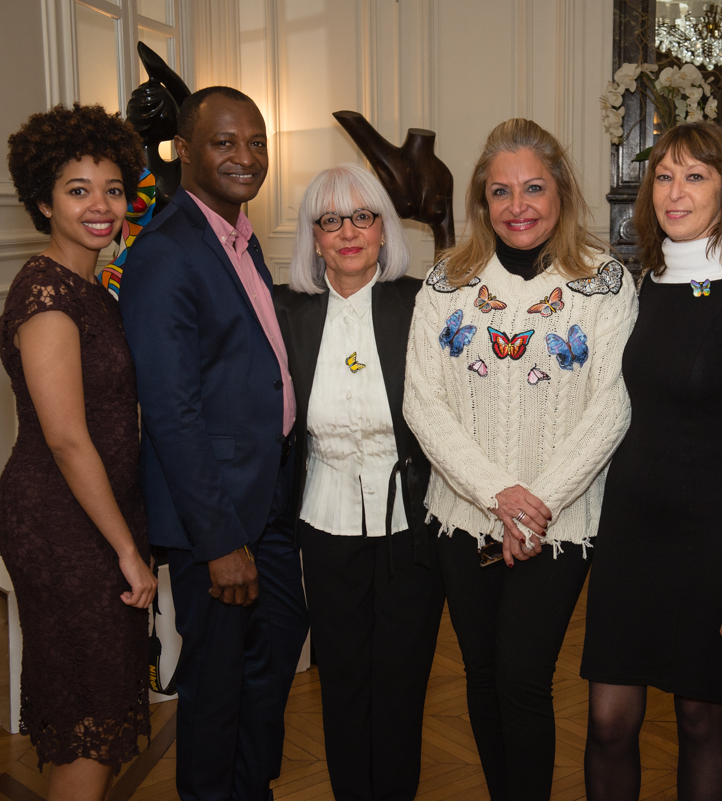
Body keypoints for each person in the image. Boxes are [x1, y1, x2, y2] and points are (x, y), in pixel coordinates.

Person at [402, 118, 637, 800]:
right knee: (480, 671)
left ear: (560, 190)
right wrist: (496, 495)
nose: (518, 205)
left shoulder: (605, 281)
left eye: (533, 187)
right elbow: (422, 401)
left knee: (524, 676)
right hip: (463, 514)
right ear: (483, 201)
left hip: (559, 522)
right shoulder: (448, 278)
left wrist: (536, 505)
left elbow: (613, 406)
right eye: (500, 191)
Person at [579, 123, 722, 800]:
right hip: (631, 530)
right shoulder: (642, 284)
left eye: (696, 176)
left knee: (701, 717)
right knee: (609, 720)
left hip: (712, 542)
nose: (676, 191)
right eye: (664, 175)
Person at [119, 86, 310, 801]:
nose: (245, 156)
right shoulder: (167, 251)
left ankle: (247, 787)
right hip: (218, 521)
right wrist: (218, 540)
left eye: (256, 142)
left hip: (264, 504)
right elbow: (171, 411)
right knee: (218, 686)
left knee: (275, 650)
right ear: (185, 151)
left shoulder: (238, 236)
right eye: (225, 142)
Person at [0, 103, 155, 800]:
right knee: (90, 716)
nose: (100, 205)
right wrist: (125, 547)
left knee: (102, 707)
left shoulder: (93, 285)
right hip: (63, 523)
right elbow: (65, 437)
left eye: (113, 188)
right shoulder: (46, 289)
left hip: (93, 513)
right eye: (78, 188)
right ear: (42, 199)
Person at [272, 163, 443, 800]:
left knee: (402, 684)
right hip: (324, 519)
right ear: (313, 238)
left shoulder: (423, 301)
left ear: (383, 229)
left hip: (413, 524)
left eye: (363, 216)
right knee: (341, 683)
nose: (348, 232)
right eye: (330, 220)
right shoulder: (285, 311)